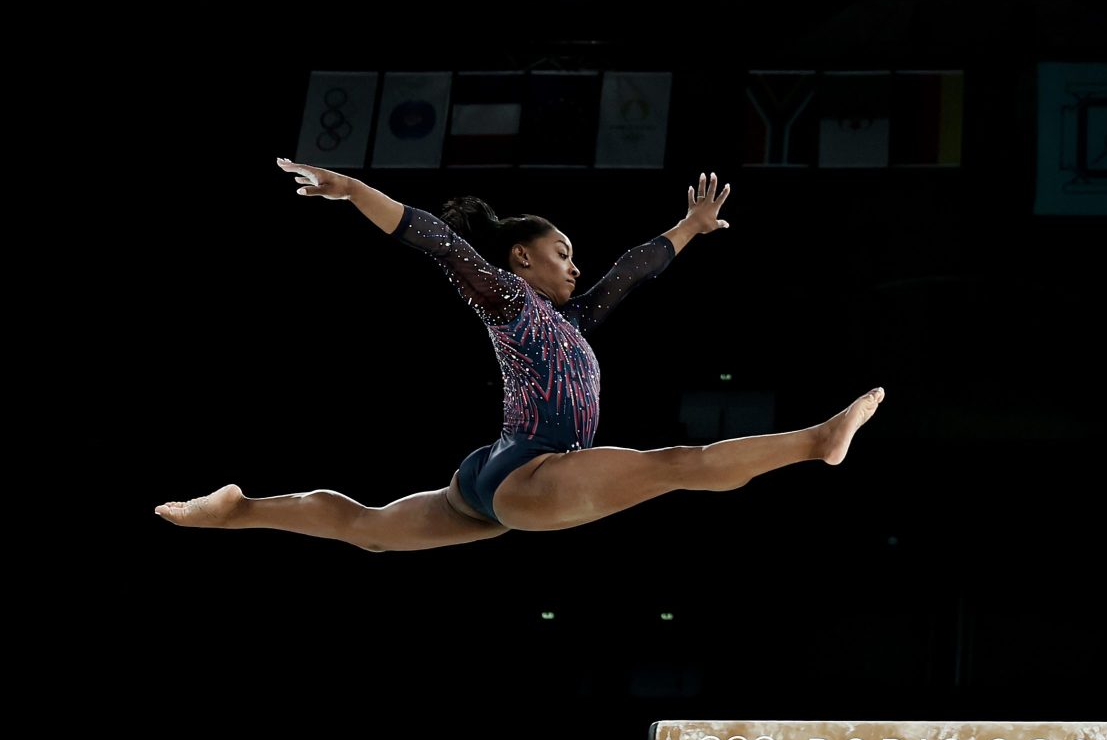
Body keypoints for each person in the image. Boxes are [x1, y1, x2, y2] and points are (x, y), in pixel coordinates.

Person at [154, 159, 884, 551]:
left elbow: (632, 268)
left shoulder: (575, 320)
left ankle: (239, 510)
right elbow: (436, 242)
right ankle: (816, 442)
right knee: (678, 466)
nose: (574, 267)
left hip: (490, 475)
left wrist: (690, 227)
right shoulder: (507, 297)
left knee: (369, 531)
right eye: (560, 253)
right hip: (535, 468)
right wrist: (351, 190)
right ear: (520, 259)